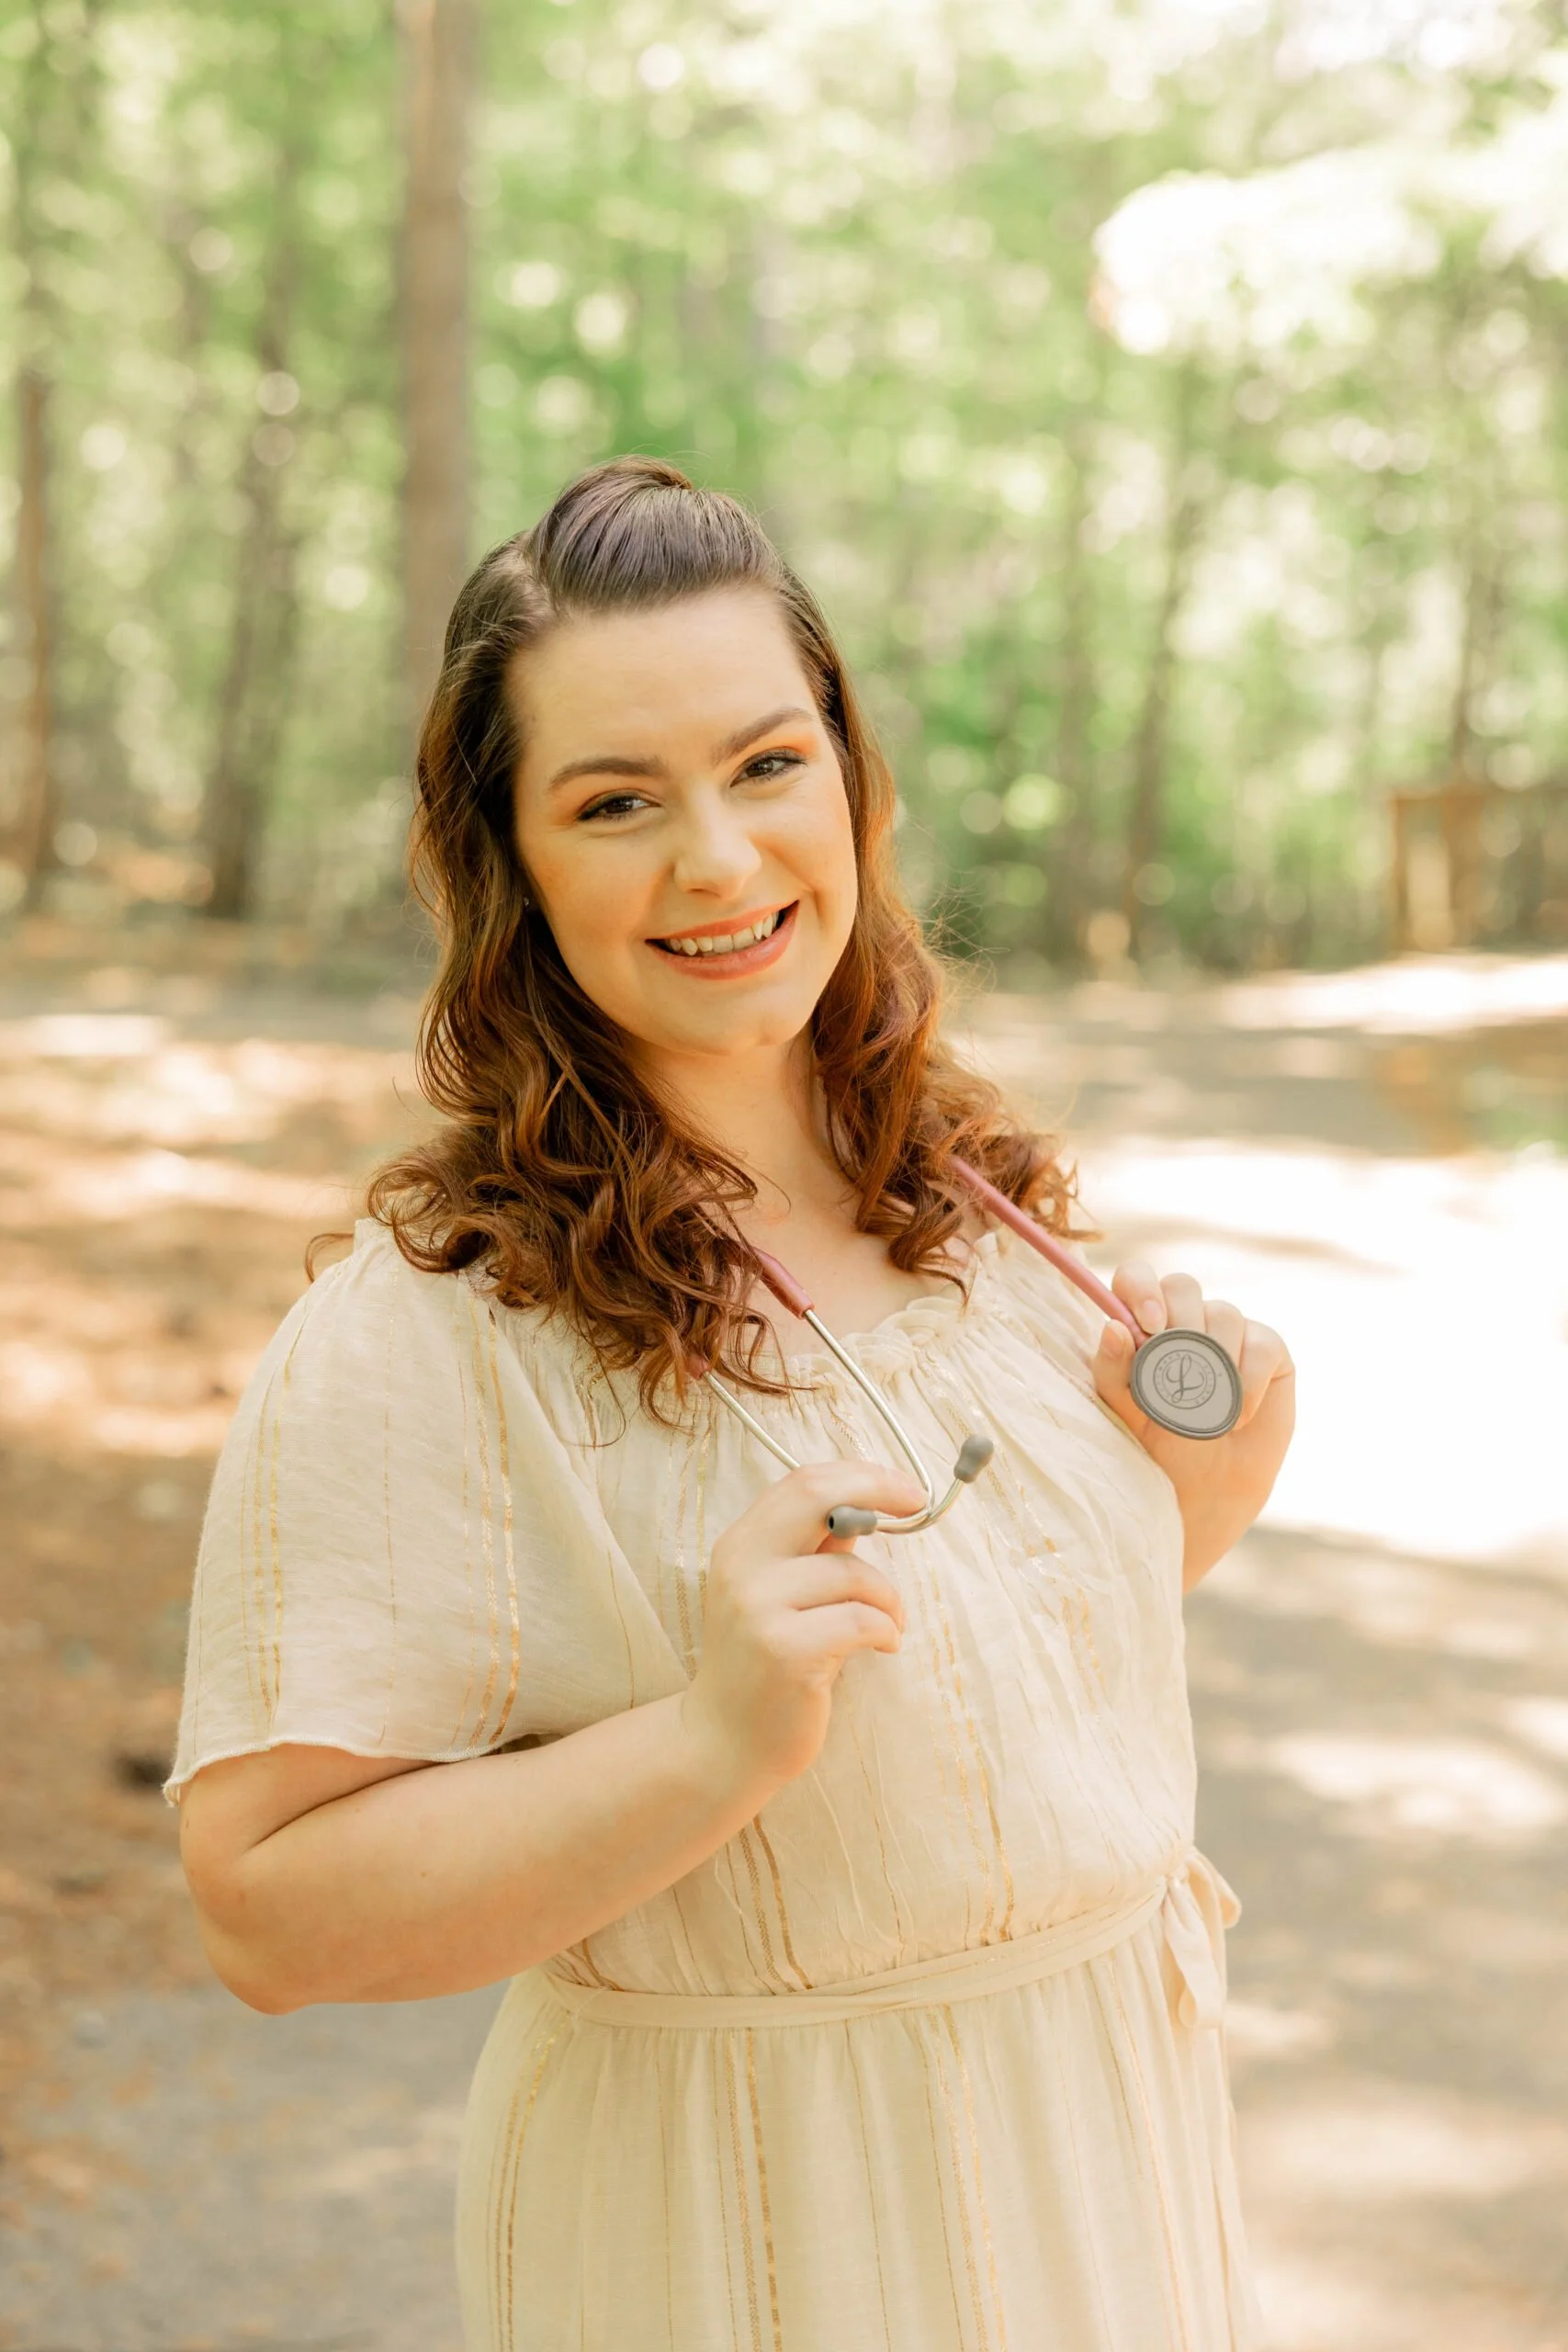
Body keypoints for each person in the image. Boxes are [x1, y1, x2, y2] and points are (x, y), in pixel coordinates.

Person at [170, 456, 1294, 2351]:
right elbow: (264, 1911)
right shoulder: (433, 1324)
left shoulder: (985, 1210)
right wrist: (705, 1740)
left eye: (768, 764)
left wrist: (1210, 1479)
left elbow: (960, 1694)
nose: (718, 857)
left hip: (1110, 2173)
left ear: (851, 781)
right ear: (508, 862)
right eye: (617, 801)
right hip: (753, 2239)